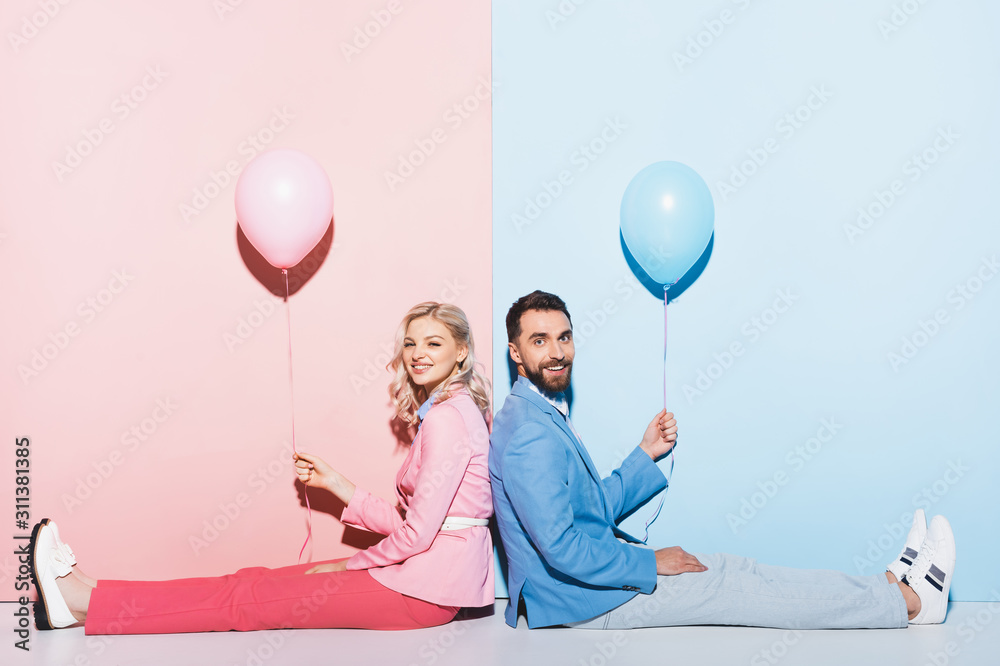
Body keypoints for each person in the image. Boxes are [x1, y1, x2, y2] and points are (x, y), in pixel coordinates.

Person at [489, 290, 956, 630]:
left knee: (736, 571)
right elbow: (561, 548)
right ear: (516, 351)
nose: (557, 352)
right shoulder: (530, 433)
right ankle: (911, 604)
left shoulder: (536, 412)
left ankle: (891, 583)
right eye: (540, 340)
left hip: (588, 585)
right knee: (735, 590)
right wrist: (649, 563)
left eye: (564, 337)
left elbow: (585, 507)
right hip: (581, 602)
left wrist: (644, 454)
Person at [31, 302, 494, 634]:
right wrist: (339, 486)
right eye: (411, 342)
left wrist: (348, 564)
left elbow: (418, 536)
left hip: (422, 590)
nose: (418, 353)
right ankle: (92, 593)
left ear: (460, 352)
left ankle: (84, 603)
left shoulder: (448, 421)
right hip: (422, 576)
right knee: (250, 582)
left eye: (434, 342)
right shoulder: (447, 411)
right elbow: (418, 523)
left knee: (247, 602)